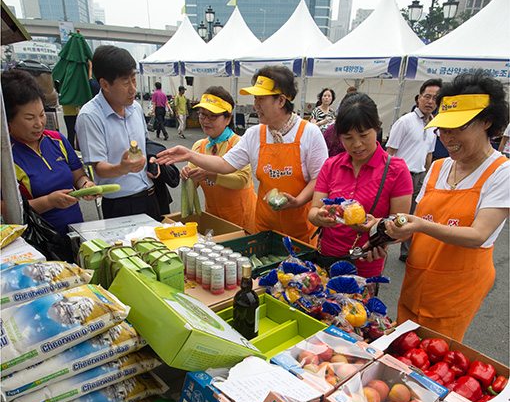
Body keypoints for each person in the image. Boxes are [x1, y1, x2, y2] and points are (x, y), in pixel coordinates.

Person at [387, 71, 509, 341]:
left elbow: (478, 235)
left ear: (487, 121)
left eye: (458, 128)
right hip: (416, 280)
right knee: (401, 346)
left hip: (455, 288)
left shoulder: (502, 172)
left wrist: (419, 225)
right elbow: (417, 222)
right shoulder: (438, 167)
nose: (447, 137)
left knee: (436, 354)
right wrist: (392, 230)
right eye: (442, 129)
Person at [156, 66, 328, 243]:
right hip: (265, 228)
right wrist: (189, 155)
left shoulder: (309, 133)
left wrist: (298, 201)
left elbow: (320, 179)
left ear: (281, 101)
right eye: (255, 98)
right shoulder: (255, 134)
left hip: (300, 231)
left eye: (261, 99)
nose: (255, 105)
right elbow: (225, 164)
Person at [308, 93, 413, 277]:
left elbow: (403, 229)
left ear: (377, 128)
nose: (357, 144)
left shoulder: (396, 170)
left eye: (364, 135)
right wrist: (320, 217)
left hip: (365, 262)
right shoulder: (331, 165)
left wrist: (379, 232)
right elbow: (313, 211)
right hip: (327, 259)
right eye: (348, 137)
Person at [2, 69, 96, 235]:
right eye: (29, 118)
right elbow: (7, 210)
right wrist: (49, 201)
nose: (39, 123)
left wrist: (86, 185)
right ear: (7, 120)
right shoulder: (6, 158)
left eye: (41, 114)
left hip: (76, 232)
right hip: (39, 239)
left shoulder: (57, 140)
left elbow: (78, 177)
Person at [76, 45, 161, 220]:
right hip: (120, 204)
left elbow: (146, 143)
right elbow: (99, 168)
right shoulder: (90, 116)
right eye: (125, 82)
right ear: (105, 84)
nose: (133, 89)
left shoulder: (136, 108)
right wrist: (122, 168)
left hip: (150, 194)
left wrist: (153, 159)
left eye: (134, 80)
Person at [182, 87, 257, 232]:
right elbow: (194, 183)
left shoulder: (238, 144)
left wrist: (210, 175)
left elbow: (241, 180)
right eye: (202, 115)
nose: (206, 121)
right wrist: (187, 176)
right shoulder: (199, 146)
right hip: (214, 219)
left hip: (242, 220)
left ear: (227, 119)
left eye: (213, 116)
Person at [386, 78, 442, 261]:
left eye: (435, 98)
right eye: (427, 96)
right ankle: (379, 245)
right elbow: (390, 152)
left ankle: (407, 252)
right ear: (418, 98)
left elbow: (429, 154)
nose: (430, 101)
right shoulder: (405, 121)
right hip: (401, 176)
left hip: (420, 175)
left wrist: (427, 175)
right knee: (393, 216)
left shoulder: (434, 124)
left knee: (415, 215)